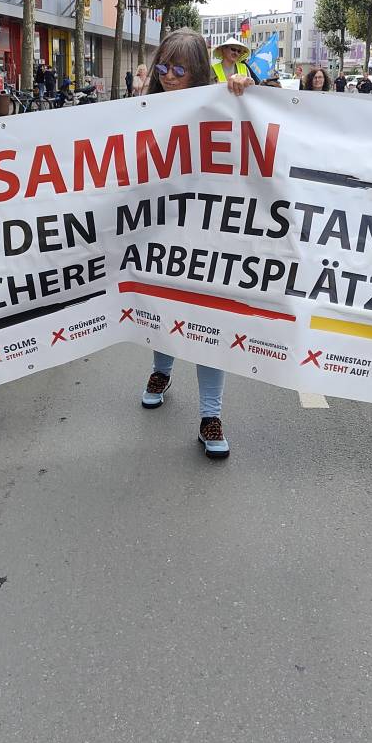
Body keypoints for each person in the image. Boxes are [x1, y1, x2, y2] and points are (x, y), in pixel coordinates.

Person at [141, 28, 253, 459]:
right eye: (163, 68)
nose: (169, 77)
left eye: (179, 69)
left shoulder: (222, 102)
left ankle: (210, 415)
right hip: (159, 229)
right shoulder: (142, 109)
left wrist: (242, 90)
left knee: (208, 321)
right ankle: (161, 371)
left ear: (199, 70)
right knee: (163, 309)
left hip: (208, 232)